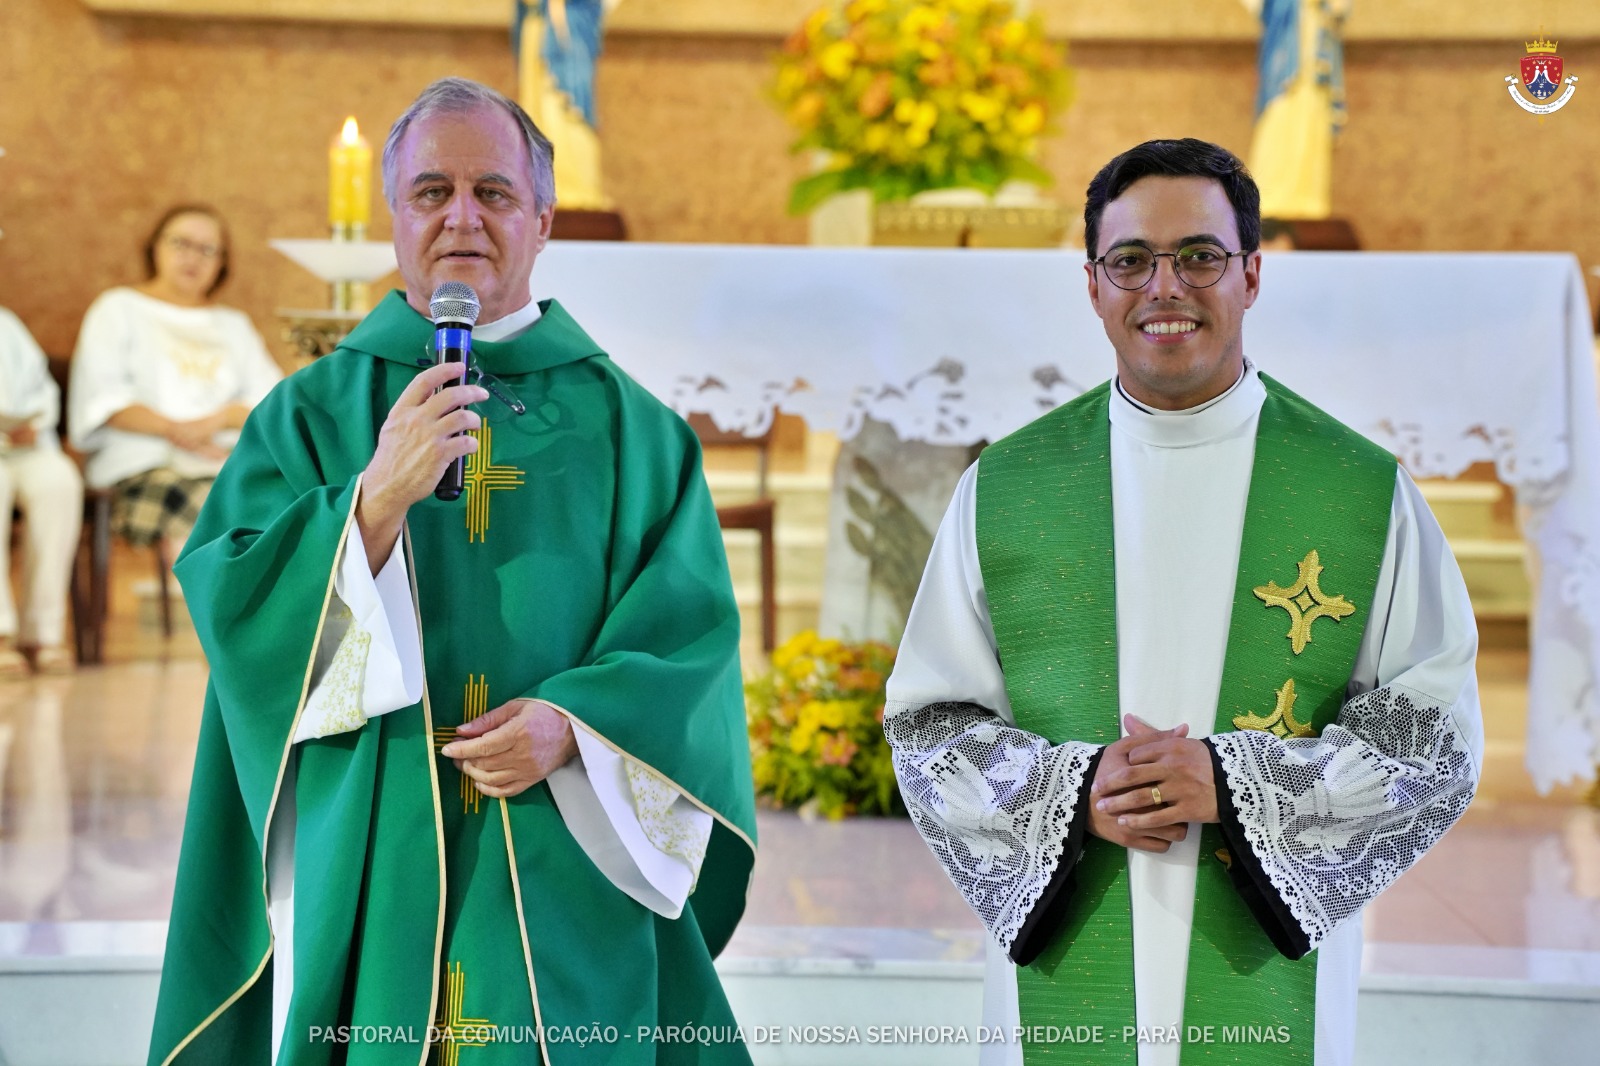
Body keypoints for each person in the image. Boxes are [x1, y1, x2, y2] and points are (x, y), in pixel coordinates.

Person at [148, 77, 756, 1065]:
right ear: (392, 218)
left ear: (544, 219)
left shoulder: (635, 429)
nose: (462, 217)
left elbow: (688, 641)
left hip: (567, 833)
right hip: (381, 822)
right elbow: (232, 599)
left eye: (494, 193)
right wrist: (374, 501)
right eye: (431, 192)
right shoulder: (310, 412)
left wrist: (578, 726)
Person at [883, 138, 1481, 1066]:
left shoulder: (1358, 491)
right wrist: (1072, 795)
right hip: (1071, 921)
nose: (1165, 286)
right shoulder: (1008, 486)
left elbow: (1435, 730)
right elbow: (930, 724)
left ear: (1249, 274)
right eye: (1131, 261)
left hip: (1265, 946)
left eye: (1199, 256)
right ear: (1092, 285)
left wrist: (1243, 792)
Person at [68, 204, 283, 565]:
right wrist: (178, 431)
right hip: (143, 464)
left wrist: (217, 421)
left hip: (224, 464)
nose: (192, 258)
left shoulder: (233, 325)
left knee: (289, 507)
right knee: (220, 514)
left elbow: (273, 405)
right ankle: (212, 612)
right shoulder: (119, 308)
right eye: (180, 243)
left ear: (222, 263)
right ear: (155, 247)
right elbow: (104, 399)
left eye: (207, 249)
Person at [0, 307, 83, 675]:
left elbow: (42, 389)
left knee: (58, 481)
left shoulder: (7, 323)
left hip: (24, 447)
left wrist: (34, 421)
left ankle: (43, 632)